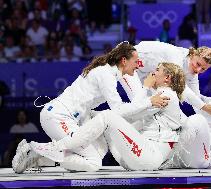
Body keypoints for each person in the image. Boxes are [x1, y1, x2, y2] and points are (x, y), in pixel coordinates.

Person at [12, 42, 169, 173]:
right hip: (59, 117)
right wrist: (149, 102)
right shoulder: (106, 75)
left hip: (69, 117)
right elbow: (118, 110)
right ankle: (36, 149)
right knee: (93, 162)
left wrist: (149, 104)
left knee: (99, 152)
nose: (138, 66)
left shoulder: (108, 73)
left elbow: (121, 110)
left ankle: (37, 157)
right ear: (123, 60)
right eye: (135, 61)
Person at [26, 63, 186, 171]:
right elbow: (131, 115)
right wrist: (91, 115)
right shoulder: (156, 96)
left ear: (167, 78)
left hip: (149, 156)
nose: (152, 73)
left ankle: (51, 147)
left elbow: (133, 112)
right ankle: (40, 158)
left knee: (108, 116)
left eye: (157, 70)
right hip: (135, 157)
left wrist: (145, 86)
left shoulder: (166, 96)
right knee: (95, 157)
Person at [133, 41, 211, 116]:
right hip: (131, 62)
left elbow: (196, 99)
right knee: (138, 106)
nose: (198, 70)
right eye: (198, 64)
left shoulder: (192, 72)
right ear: (193, 55)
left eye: (203, 69)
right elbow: (181, 87)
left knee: (153, 108)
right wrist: (205, 107)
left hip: (149, 73)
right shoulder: (176, 55)